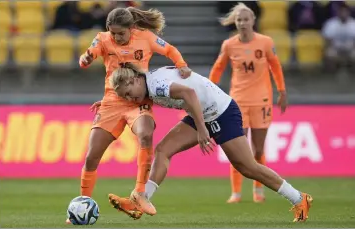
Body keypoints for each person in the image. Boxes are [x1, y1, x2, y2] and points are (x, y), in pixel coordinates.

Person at [108, 63, 313, 223]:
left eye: (128, 92)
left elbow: (190, 94)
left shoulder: (155, 85)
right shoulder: (148, 83)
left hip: (221, 112)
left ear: (135, 79)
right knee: (163, 150)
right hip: (203, 113)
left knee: (248, 167)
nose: (130, 98)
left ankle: (299, 198)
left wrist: (202, 128)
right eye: (125, 97)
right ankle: (141, 200)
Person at [69, 6, 191, 223]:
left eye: (121, 33)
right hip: (111, 102)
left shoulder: (145, 38)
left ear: (131, 28)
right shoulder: (103, 39)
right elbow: (87, 56)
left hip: (138, 100)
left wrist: (181, 65)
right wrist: (85, 60)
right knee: (91, 157)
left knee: (146, 134)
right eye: (113, 33)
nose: (116, 37)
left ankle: (140, 192)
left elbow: (170, 50)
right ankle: (82, 202)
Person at [209, 3, 288, 204]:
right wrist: (209, 92)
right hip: (237, 102)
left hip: (261, 100)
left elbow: (275, 67)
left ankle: (258, 190)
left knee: (258, 150)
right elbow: (217, 69)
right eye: (239, 20)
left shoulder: (265, 42)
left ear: (253, 21)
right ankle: (236, 193)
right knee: (237, 151)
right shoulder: (229, 45)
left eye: (246, 19)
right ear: (235, 23)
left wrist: (281, 91)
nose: (243, 23)